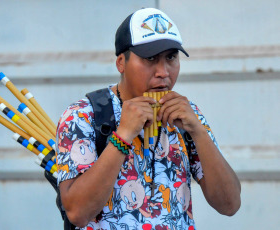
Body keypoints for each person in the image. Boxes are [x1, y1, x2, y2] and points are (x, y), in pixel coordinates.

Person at [55, 7, 241, 230]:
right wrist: (123, 135)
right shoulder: (83, 115)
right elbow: (77, 213)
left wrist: (198, 131)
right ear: (121, 63)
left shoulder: (188, 116)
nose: (163, 72)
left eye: (171, 57)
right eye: (150, 58)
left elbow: (229, 205)